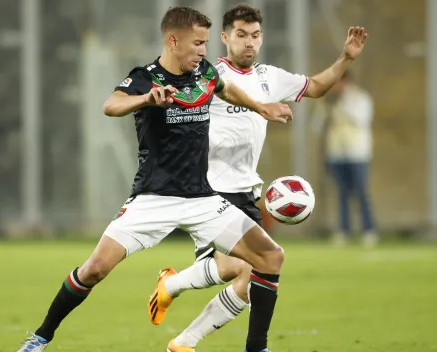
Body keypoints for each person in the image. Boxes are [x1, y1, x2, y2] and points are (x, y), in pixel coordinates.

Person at [17, 6, 294, 352]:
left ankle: (256, 348)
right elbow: (111, 104)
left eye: (206, 43)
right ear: (173, 41)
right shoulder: (146, 77)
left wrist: (261, 107)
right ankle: (40, 338)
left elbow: (225, 88)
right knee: (94, 269)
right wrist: (146, 99)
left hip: (203, 199)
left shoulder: (205, 73)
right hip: (153, 198)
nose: (203, 51)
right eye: (197, 44)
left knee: (271, 257)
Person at [148, 5, 368, 352]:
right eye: (240, 35)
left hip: (245, 190)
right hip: (207, 188)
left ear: (262, 38)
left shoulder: (270, 77)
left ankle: (182, 331)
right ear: (224, 38)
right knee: (246, 264)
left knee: (249, 274)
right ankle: (238, 339)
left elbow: (316, 87)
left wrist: (345, 58)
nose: (249, 43)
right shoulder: (207, 74)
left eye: (255, 35)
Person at [316, 71, 377, 247]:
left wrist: (341, 105)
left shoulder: (359, 98)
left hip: (357, 152)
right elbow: (317, 126)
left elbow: (362, 119)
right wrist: (325, 108)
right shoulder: (328, 101)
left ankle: (368, 230)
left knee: (361, 192)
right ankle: (344, 230)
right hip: (336, 152)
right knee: (341, 193)